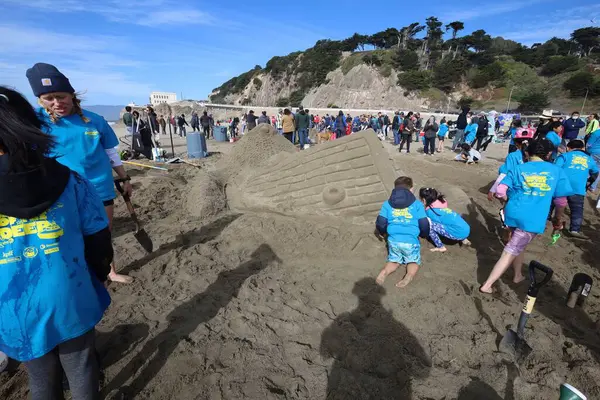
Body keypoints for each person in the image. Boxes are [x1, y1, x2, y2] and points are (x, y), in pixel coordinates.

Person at [0, 86, 112, 399]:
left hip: (11, 306)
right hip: (70, 295)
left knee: (40, 379)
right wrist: (99, 274)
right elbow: (99, 238)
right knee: (81, 368)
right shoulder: (70, 179)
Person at [26, 62, 132, 284]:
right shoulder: (34, 123)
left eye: (61, 96)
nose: (57, 103)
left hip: (99, 187)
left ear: (71, 95)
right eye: (49, 98)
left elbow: (110, 152)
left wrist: (124, 177)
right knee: (69, 237)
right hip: (60, 190)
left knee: (103, 233)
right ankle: (80, 276)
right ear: (40, 100)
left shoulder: (95, 120)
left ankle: (109, 271)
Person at [480, 140, 573, 294]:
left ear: (528, 152)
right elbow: (561, 201)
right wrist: (558, 220)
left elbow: (500, 191)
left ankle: (517, 275)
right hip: (532, 218)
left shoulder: (518, 168)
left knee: (517, 244)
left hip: (513, 213)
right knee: (510, 250)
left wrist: (507, 201)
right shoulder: (556, 171)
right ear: (549, 154)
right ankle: (487, 284)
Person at [375, 176, 429, 288]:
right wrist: (424, 234)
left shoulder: (387, 204)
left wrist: (383, 232)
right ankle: (408, 276)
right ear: (411, 189)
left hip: (393, 241)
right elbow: (424, 223)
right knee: (412, 262)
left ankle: (384, 272)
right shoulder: (417, 204)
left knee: (394, 261)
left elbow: (381, 222)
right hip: (410, 241)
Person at [554, 140, 599, 239]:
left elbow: (555, 169)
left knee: (553, 203)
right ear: (582, 148)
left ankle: (547, 219)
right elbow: (595, 172)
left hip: (562, 186)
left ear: (569, 148)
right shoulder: (589, 159)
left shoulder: (565, 156)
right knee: (577, 209)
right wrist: (588, 183)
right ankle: (574, 229)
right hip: (578, 188)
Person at [419, 187, 471, 253]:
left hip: (457, 234)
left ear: (423, 200)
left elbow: (434, 223)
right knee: (452, 221)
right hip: (466, 229)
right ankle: (464, 239)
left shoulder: (430, 212)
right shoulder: (441, 202)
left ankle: (440, 247)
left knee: (430, 225)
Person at [586, 123, 600, 192]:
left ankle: (585, 183)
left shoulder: (596, 133)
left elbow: (589, 144)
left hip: (595, 152)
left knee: (589, 168)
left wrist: (587, 150)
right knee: (598, 170)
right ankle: (593, 187)